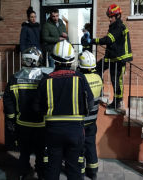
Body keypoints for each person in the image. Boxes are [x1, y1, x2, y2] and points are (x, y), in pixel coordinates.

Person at [33, 40, 94, 180]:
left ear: (54, 60)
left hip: (52, 131)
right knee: (73, 169)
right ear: (72, 60)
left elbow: (36, 107)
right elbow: (90, 104)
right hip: (75, 131)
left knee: (53, 168)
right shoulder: (80, 77)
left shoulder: (45, 80)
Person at [3, 47, 46, 180]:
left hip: (22, 123)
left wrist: (11, 118)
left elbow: (8, 100)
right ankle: (42, 174)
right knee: (40, 153)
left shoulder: (14, 78)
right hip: (41, 124)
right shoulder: (44, 78)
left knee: (24, 152)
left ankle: (22, 174)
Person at [87, 4, 133, 109]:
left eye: (111, 17)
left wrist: (91, 41)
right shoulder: (114, 26)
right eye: (109, 17)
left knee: (116, 80)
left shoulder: (119, 26)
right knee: (97, 68)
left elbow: (108, 40)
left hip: (119, 59)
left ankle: (117, 101)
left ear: (117, 16)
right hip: (111, 57)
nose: (110, 19)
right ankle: (99, 88)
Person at [78, 51, 103, 180]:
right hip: (93, 119)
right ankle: (93, 172)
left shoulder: (79, 79)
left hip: (81, 120)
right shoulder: (98, 77)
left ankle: (81, 172)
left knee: (79, 147)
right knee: (91, 145)